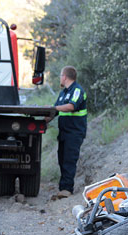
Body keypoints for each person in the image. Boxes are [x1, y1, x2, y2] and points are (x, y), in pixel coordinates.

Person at [48, 66, 87, 199]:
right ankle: (63, 188)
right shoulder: (63, 93)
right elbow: (56, 111)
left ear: (64, 76)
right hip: (64, 133)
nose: (60, 78)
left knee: (69, 160)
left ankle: (66, 189)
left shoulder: (77, 90)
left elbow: (71, 106)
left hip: (74, 133)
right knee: (62, 159)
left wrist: (53, 108)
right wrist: (42, 120)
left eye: (60, 76)